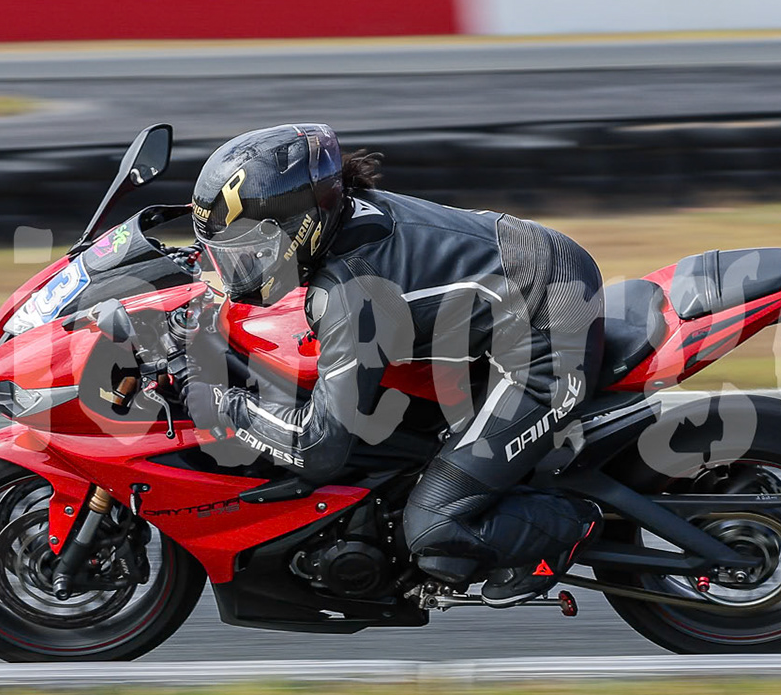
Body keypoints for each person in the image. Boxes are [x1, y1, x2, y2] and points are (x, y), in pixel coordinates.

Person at [176, 122, 603, 603]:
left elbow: (317, 450)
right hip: (529, 277)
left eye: (250, 250)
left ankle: (572, 523)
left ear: (299, 227)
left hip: (550, 333)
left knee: (434, 529)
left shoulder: (352, 294)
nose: (239, 268)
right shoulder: (341, 218)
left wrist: (222, 405)